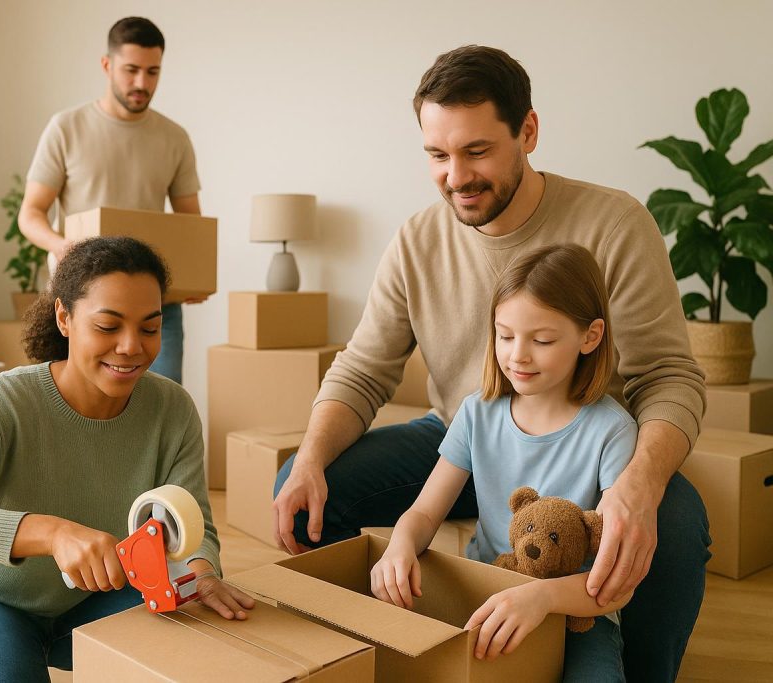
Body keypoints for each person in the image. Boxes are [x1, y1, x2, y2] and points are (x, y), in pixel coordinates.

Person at [272, 45, 710, 682]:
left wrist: (637, 486)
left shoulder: (614, 223)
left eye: (477, 152)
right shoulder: (417, 240)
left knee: (672, 524)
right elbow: (363, 370)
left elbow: (670, 376)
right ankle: (366, 655)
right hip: (467, 434)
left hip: (587, 453)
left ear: (527, 132)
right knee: (301, 488)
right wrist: (311, 458)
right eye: (437, 155)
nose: (456, 176)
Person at [0, 237, 254, 682]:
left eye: (149, 327)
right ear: (65, 317)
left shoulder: (172, 409)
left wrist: (201, 574)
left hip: (102, 599)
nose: (131, 347)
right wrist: (51, 533)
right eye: (108, 326)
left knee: (207, 648)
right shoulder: (4, 402)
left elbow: (191, 523)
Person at [372, 244, 636, 682]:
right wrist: (400, 544)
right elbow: (424, 512)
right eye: (505, 335)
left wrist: (543, 598)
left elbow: (616, 586)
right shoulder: (477, 413)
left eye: (543, 340)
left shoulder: (613, 431)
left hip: (576, 614)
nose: (518, 355)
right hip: (486, 593)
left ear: (590, 337)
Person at [18, 16, 203, 384]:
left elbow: (191, 224)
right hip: (81, 298)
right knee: (73, 405)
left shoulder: (174, 138)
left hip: (153, 304)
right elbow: (31, 213)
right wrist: (60, 245)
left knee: (160, 404)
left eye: (153, 72)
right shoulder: (66, 128)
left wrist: (194, 274)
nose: (141, 83)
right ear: (107, 65)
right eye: (131, 70)